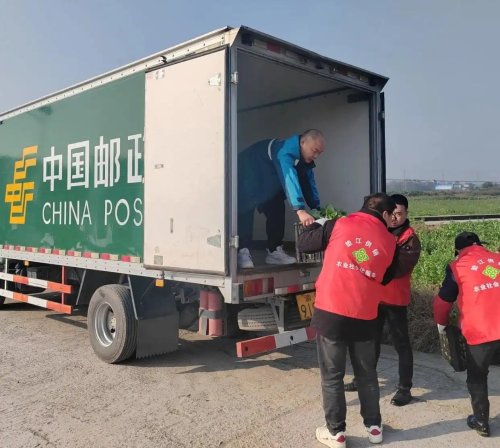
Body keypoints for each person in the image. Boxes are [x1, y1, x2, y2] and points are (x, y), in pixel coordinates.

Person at [297, 193, 397, 447]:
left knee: (333, 376)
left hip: (331, 312)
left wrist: (316, 225)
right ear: (385, 214)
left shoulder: (338, 224)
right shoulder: (390, 240)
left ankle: (336, 433)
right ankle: (374, 428)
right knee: (367, 375)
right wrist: (361, 264)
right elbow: (386, 276)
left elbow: (304, 244)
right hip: (365, 314)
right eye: (391, 217)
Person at [344, 194, 421, 407]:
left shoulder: (410, 239)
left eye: (400, 214)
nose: (395, 218)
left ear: (406, 214)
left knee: (401, 344)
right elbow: (361, 254)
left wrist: (371, 265)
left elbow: (398, 269)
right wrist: (365, 262)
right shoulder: (376, 232)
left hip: (395, 300)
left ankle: (404, 389)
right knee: (370, 342)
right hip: (374, 299)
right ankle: (361, 379)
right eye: (392, 214)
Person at [433, 231, 500, 438]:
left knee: (477, 377)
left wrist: (442, 325)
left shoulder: (457, 267)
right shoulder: (497, 260)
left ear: (458, 250)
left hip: (481, 331)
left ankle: (481, 421)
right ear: (480, 245)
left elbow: (443, 302)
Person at [237, 129, 325, 268]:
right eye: (314, 151)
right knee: (246, 205)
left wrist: (317, 209)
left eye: (319, 153)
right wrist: (300, 210)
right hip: (249, 169)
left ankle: (274, 251)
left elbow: (309, 184)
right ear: (303, 142)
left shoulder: (305, 161)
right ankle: (242, 250)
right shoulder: (284, 151)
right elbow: (289, 178)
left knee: (277, 206)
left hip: (269, 180)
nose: (316, 156)